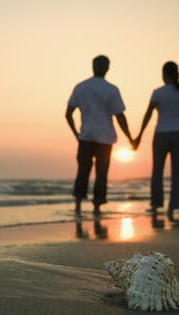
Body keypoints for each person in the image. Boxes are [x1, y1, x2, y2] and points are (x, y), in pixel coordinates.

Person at [65, 55, 135, 216]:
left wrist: (76, 133)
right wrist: (130, 138)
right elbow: (120, 116)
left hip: (86, 136)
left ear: (92, 66)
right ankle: (97, 207)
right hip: (105, 137)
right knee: (101, 172)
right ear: (107, 68)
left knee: (83, 171)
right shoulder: (111, 89)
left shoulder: (81, 87)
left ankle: (78, 205)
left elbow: (68, 114)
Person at [134, 61, 179, 221]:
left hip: (162, 134)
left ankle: (156, 204)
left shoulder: (158, 93)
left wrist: (139, 135)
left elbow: (147, 115)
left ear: (164, 75)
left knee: (157, 171)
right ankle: (173, 206)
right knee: (177, 172)